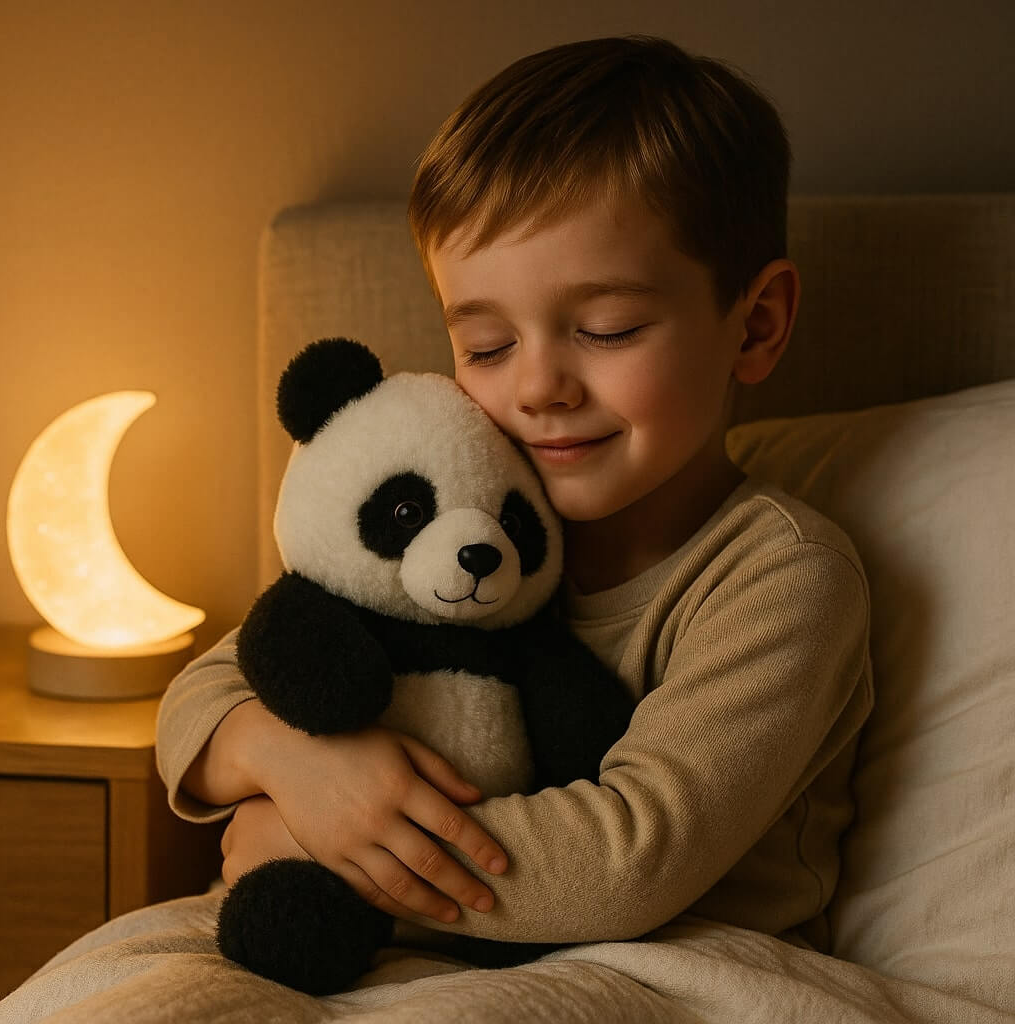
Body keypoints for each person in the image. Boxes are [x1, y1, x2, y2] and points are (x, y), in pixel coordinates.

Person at [164, 34, 873, 956]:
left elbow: (629, 862)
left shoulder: (781, 578)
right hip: (418, 948)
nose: (539, 389)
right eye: (488, 348)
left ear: (757, 324)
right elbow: (208, 687)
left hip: (679, 970)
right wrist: (286, 759)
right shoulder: (462, 523)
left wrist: (314, 841)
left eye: (607, 329)